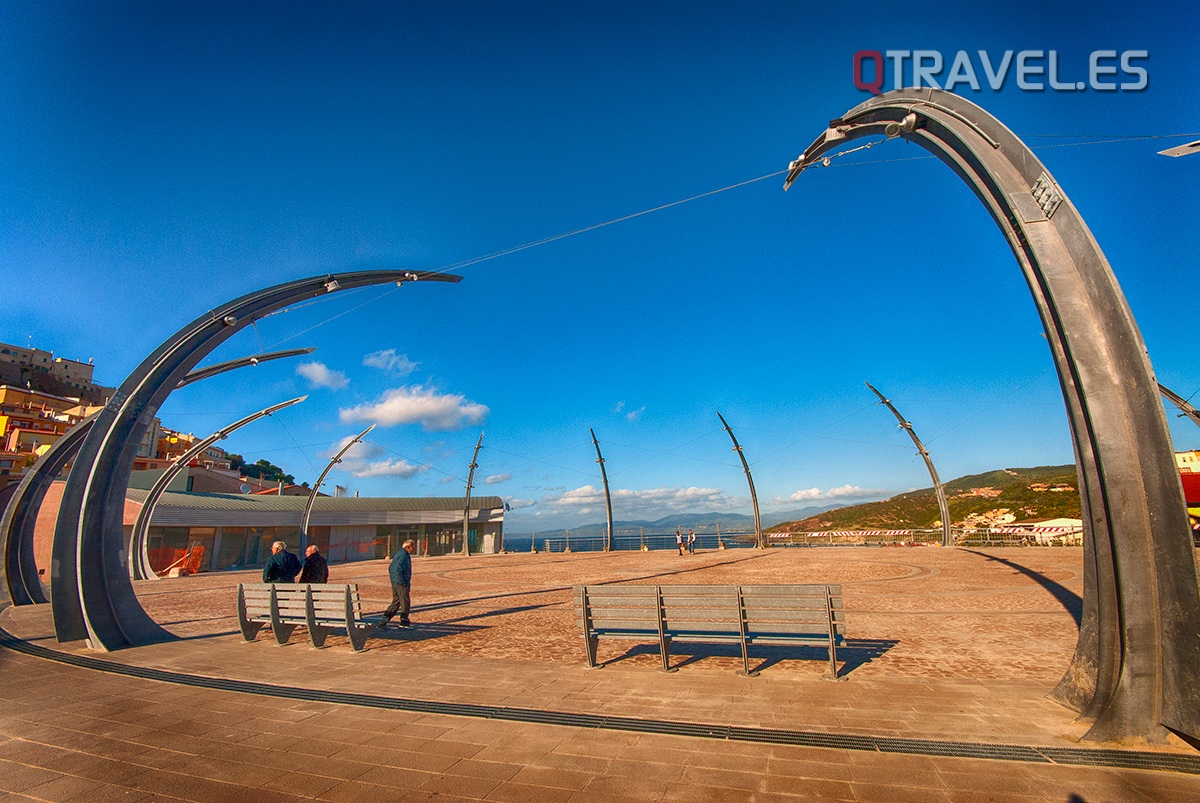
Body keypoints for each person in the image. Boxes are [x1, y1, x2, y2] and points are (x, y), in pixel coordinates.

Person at [380, 539, 416, 629]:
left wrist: (394, 580)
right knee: (405, 602)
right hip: (400, 583)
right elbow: (397, 569)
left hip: (396, 582)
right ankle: (404, 622)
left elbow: (391, 568)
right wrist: (402, 582)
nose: (413, 549)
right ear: (408, 547)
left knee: (396, 602)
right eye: (412, 547)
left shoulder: (400, 553)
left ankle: (384, 619)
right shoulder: (404, 555)